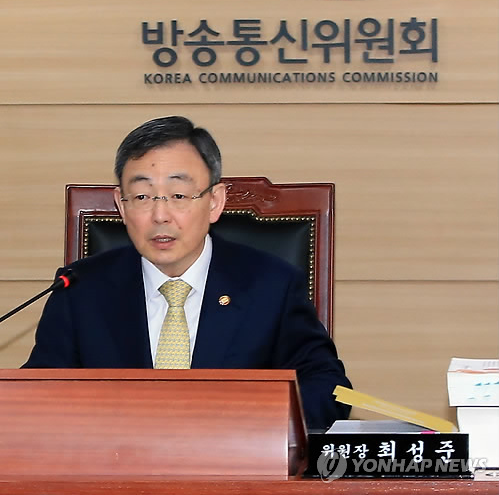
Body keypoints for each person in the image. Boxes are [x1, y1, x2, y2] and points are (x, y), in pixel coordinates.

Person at [24, 116, 351, 429]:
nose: (160, 215)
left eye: (178, 196)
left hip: (234, 464)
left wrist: (254, 427)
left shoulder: (272, 286)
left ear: (215, 202)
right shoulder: (79, 290)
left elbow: (328, 387)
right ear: (121, 206)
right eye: (142, 196)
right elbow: (37, 396)